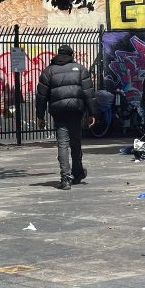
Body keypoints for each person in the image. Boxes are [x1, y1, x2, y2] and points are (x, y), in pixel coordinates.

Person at [36, 44, 97, 190]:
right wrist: (92, 113)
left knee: (62, 144)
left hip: (59, 112)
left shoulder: (48, 71)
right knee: (76, 143)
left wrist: (40, 115)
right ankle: (77, 173)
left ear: (58, 55)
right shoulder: (80, 69)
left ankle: (65, 178)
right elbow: (89, 93)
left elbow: (41, 96)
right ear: (71, 55)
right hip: (76, 110)